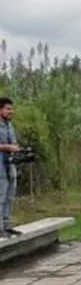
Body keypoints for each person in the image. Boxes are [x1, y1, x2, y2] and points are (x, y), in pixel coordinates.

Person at [0, 98, 20, 238]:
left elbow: (13, 142)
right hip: (0, 165)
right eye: (7, 109)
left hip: (10, 164)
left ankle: (7, 225)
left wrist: (16, 148)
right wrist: (7, 147)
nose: (10, 111)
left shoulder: (9, 125)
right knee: (1, 196)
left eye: (11, 109)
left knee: (10, 196)